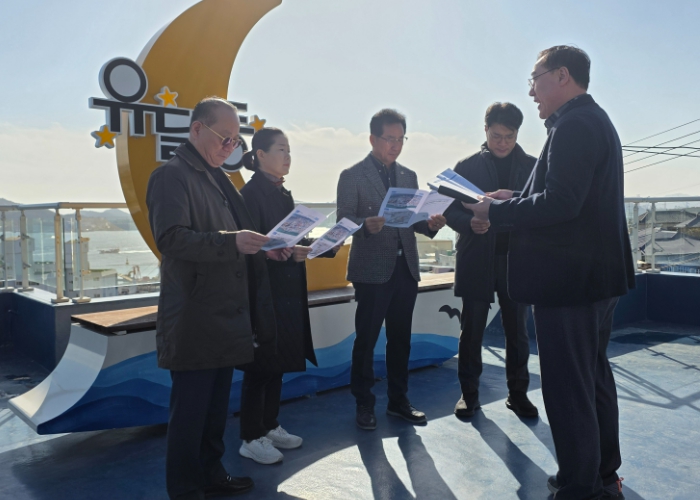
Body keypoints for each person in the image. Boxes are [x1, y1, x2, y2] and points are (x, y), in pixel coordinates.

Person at [465, 46, 635, 499]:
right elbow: (567, 195)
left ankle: (580, 485)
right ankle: (601, 474)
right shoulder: (590, 120)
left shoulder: (574, 125)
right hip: (594, 278)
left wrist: (495, 212)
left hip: (569, 283)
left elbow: (562, 203)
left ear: (561, 76)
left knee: (568, 388)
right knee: (592, 378)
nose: (531, 91)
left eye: (535, 79)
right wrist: (516, 197)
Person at [147, 97, 280, 500]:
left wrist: (266, 248)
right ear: (196, 129)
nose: (229, 147)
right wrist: (232, 242)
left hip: (224, 315)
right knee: (190, 413)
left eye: (235, 141)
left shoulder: (216, 178)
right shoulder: (171, 176)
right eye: (224, 137)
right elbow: (171, 239)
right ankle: (186, 489)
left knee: (215, 409)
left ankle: (211, 473)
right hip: (195, 317)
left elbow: (232, 239)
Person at [336, 109, 447, 430]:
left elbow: (413, 222)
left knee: (401, 339)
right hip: (372, 271)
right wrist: (364, 225)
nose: (395, 145)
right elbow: (344, 221)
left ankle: (399, 401)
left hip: (405, 268)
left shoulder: (409, 176)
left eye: (401, 139)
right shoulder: (352, 175)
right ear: (373, 139)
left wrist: (431, 224)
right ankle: (364, 403)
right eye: (389, 139)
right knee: (366, 340)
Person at [237, 128, 336, 464]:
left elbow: (288, 239)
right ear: (260, 155)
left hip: (286, 287)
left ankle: (269, 424)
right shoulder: (250, 195)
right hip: (263, 291)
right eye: (281, 150)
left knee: (277, 361)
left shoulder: (282, 194)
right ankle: (250, 436)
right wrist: (275, 252)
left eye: (289, 150)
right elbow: (248, 248)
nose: (287, 156)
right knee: (260, 365)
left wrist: (319, 245)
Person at [444, 102, 538, 419]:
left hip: (518, 260)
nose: (502, 142)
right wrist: (469, 223)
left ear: (517, 133)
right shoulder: (466, 166)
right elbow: (449, 211)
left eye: (509, 136)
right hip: (476, 258)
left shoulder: (533, 167)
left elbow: (542, 208)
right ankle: (468, 395)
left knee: (518, 332)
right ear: (485, 130)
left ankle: (518, 394)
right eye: (496, 135)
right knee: (471, 331)